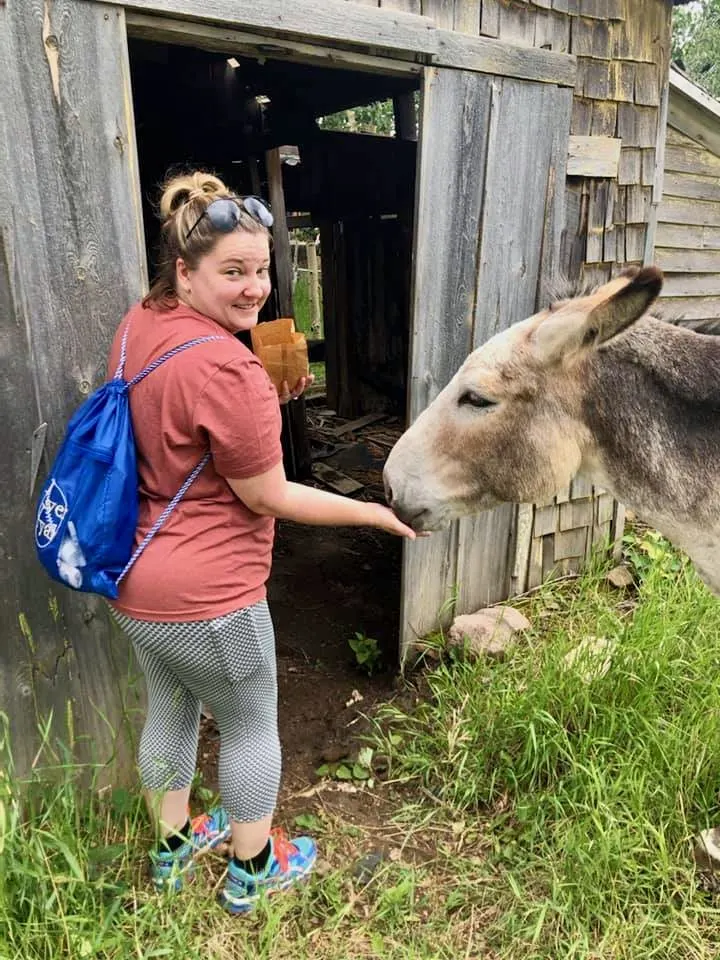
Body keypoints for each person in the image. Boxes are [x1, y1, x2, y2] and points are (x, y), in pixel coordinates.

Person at [106, 171, 417, 915]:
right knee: (249, 729)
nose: (256, 289)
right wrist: (376, 515)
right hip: (213, 600)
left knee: (170, 713)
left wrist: (255, 407)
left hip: (133, 583)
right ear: (184, 271)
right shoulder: (229, 366)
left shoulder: (143, 322)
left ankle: (173, 852)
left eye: (263, 269)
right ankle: (253, 870)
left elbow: (179, 428)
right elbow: (268, 495)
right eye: (233, 272)